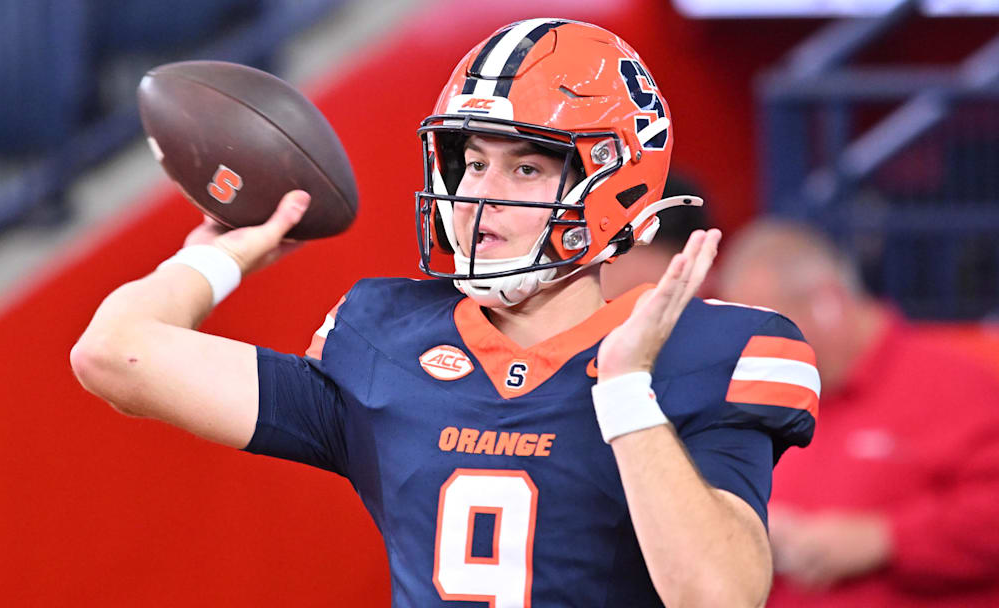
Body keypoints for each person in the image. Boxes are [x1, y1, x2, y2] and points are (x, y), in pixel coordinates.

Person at [71, 19, 818, 607]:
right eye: (473, 162)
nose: (480, 195)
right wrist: (220, 255)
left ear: (613, 188)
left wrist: (627, 391)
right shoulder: (383, 340)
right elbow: (114, 352)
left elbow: (720, 596)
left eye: (526, 167)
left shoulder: (709, 353)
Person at [717, 219, 999, 607]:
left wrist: (885, 540)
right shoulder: (760, 396)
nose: (749, 351)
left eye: (762, 330)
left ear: (827, 303)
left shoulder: (955, 386)